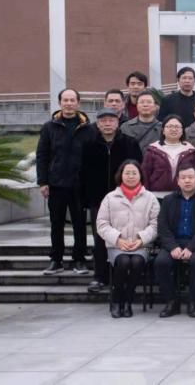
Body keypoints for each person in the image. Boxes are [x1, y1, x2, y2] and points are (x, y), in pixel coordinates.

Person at [79, 108, 143, 293]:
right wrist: (84, 199)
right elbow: (82, 173)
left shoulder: (130, 143)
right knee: (100, 239)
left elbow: (139, 171)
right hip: (98, 200)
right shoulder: (88, 145)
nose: (107, 124)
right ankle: (100, 277)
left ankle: (122, 277)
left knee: (124, 236)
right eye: (103, 121)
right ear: (98, 124)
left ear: (118, 123)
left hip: (126, 199)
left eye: (111, 120)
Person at [37, 88, 95, 275]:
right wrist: (43, 181)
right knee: (56, 223)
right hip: (56, 183)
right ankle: (56, 259)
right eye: (65, 100)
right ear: (60, 103)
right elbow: (42, 155)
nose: (69, 103)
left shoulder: (88, 128)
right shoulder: (49, 127)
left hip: (80, 185)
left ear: (78, 103)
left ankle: (79, 259)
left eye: (72, 100)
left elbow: (92, 158)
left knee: (80, 224)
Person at [96, 160, 159, 318]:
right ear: (121, 175)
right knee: (123, 261)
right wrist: (118, 240)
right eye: (127, 173)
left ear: (140, 175)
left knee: (137, 262)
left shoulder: (150, 198)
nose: (131, 176)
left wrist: (141, 239)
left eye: (134, 173)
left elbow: (156, 225)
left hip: (142, 245)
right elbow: (102, 224)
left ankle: (128, 300)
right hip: (116, 245)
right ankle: (117, 300)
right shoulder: (110, 197)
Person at [154, 165, 195, 318]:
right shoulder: (168, 200)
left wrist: (191, 247)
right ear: (178, 181)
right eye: (183, 178)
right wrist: (173, 247)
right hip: (174, 243)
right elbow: (163, 227)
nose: (187, 181)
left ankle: (193, 302)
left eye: (190, 177)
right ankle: (172, 301)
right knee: (161, 262)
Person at [142, 116, 195, 197]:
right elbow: (145, 174)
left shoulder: (190, 151)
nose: (174, 129)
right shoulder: (153, 150)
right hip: (156, 195)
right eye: (170, 126)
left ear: (182, 131)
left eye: (177, 127)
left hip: (183, 195)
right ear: (163, 130)